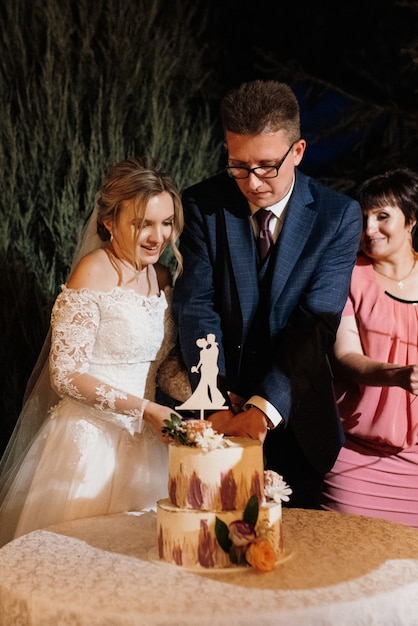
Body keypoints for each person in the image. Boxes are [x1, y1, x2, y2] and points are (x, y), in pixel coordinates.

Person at [173, 80, 363, 508]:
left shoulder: (338, 216)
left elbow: (315, 324)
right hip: (216, 417)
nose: (253, 182)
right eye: (238, 166)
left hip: (296, 424)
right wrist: (215, 398)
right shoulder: (202, 205)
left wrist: (263, 408)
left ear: (297, 151)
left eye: (266, 166)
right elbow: (196, 306)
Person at [0, 156, 187, 546]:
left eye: (165, 222)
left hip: (148, 446)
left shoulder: (161, 277)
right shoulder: (93, 272)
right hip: (88, 446)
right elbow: (65, 373)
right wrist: (145, 410)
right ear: (109, 221)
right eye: (142, 223)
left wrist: (207, 396)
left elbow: (157, 365)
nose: (157, 236)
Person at [321, 168, 418, 527]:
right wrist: (398, 374)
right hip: (357, 459)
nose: (370, 229)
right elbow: (345, 357)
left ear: (412, 219)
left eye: (382, 216)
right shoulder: (348, 274)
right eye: (362, 220)